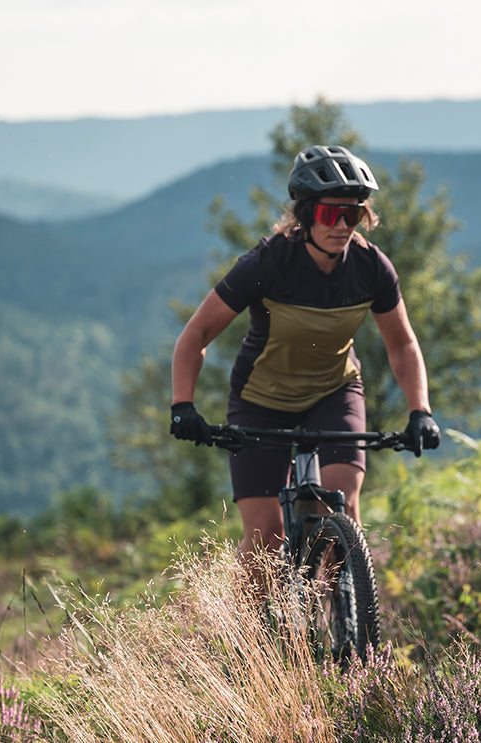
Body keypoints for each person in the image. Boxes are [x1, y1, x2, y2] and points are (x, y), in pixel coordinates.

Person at [169, 144, 441, 582]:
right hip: (261, 399)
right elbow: (195, 335)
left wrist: (420, 411)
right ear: (306, 214)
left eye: (352, 214)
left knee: (343, 510)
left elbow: (403, 344)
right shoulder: (267, 263)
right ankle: (248, 628)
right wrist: (183, 404)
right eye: (331, 214)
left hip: (334, 392)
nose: (342, 226)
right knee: (266, 534)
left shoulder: (372, 268)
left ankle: (343, 616)